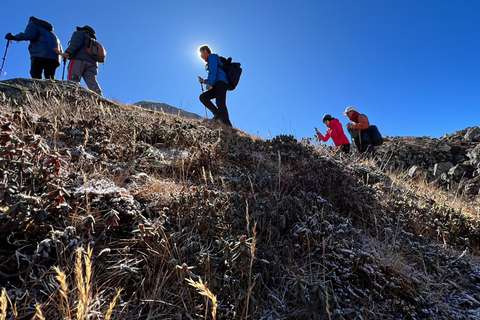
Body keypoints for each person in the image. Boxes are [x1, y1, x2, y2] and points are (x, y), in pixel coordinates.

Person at [198, 45, 232, 127]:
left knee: (220, 102)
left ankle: (227, 124)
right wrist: (205, 81)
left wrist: (209, 82)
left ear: (205, 50)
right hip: (218, 83)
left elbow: (213, 70)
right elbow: (214, 72)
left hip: (221, 82)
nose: (200, 56)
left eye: (200, 53)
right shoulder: (211, 59)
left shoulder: (212, 57)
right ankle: (218, 115)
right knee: (203, 97)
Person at [62, 25, 102, 95]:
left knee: (73, 79)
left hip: (78, 59)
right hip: (92, 64)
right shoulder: (93, 42)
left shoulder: (79, 34)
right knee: (92, 83)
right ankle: (100, 99)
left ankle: (72, 95)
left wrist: (68, 52)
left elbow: (75, 43)